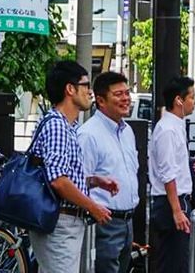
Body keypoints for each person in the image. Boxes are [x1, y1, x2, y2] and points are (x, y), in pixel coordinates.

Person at [30, 61, 114, 272]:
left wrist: (93, 181)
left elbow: (57, 174)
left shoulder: (66, 125)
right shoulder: (58, 125)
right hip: (60, 223)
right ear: (70, 89)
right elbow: (58, 181)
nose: (90, 92)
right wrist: (93, 207)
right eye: (86, 85)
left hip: (61, 221)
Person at [78, 71, 140, 273]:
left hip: (128, 222)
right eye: (119, 94)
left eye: (127, 93)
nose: (126, 99)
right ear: (101, 100)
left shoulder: (128, 131)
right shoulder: (89, 134)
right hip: (104, 222)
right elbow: (80, 182)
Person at [149, 75, 195, 273]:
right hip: (171, 203)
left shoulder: (175, 126)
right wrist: (177, 211)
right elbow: (168, 173)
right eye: (192, 97)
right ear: (179, 100)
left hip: (176, 201)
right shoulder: (168, 129)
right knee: (173, 263)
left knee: (177, 261)